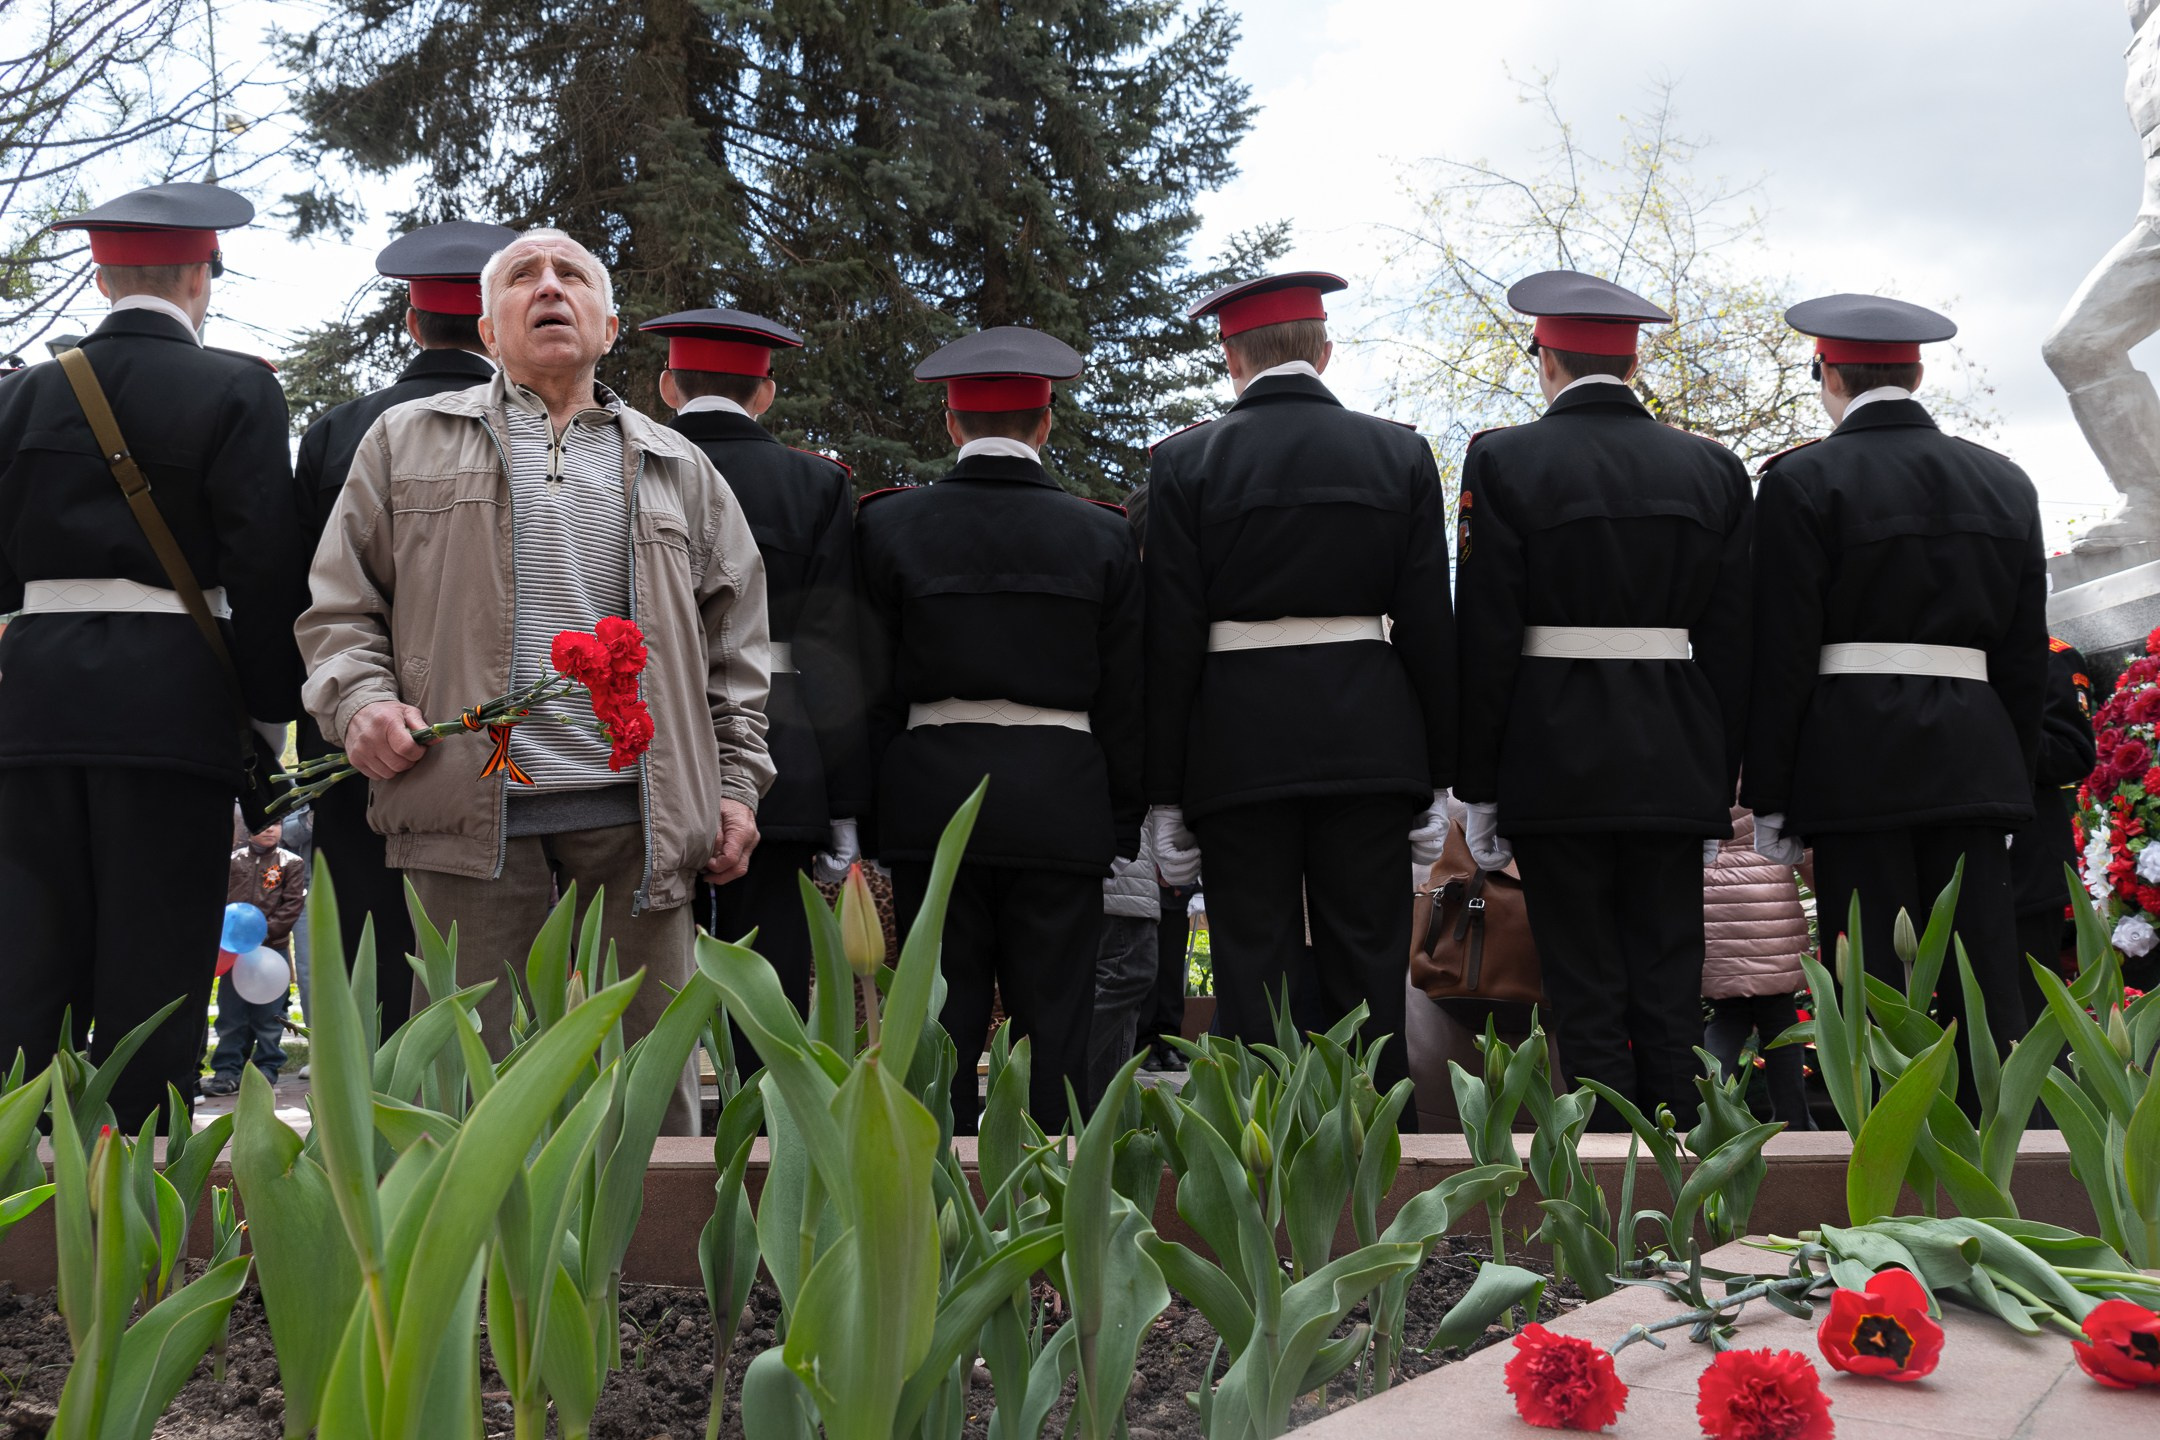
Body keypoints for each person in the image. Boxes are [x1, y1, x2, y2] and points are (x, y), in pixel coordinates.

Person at [297, 227, 775, 1137]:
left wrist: (738, 786)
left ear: (609, 326)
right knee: (464, 1101)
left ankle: (647, 1239)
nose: (549, 286)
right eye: (523, 276)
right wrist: (360, 703)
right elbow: (340, 610)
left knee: (650, 1101)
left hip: (643, 821)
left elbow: (735, 651)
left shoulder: (682, 467)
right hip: (465, 808)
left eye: (572, 276)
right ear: (487, 328)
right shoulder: (404, 441)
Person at [0, 183, 307, 1127]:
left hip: (34, 704)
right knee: (156, 969)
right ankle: (138, 1174)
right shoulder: (239, 390)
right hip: (174, 710)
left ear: (102, 278)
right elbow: (263, 571)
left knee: (26, 962)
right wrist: (268, 720)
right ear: (201, 277)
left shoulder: (18, 396)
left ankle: (17, 1173)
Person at [1142, 272, 1454, 1109]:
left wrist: (1164, 795)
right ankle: (1382, 1153)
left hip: (1238, 750)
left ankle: (1272, 1157)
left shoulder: (1184, 462)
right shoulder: (1398, 453)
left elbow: (1168, 640)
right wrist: (1439, 778)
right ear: (1324, 351)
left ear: (1231, 358)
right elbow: (1430, 626)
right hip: (1370, 745)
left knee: (1254, 972)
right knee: (1371, 969)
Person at [1453, 270, 1753, 1128]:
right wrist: (1717, 776)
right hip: (1674, 758)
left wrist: (1480, 784)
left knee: (1582, 987)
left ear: (1545, 359)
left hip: (1554, 760)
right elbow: (1736, 644)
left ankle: (1606, 1169)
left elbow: (1486, 633)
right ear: (1633, 364)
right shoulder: (1713, 468)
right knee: (1669, 984)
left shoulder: (1503, 460)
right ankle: (1682, 1159)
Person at [1746, 294, 2048, 1111]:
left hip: (1856, 764)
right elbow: (2024, 657)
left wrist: (1772, 795)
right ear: (1916, 375)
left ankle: (1886, 1149)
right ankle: (1994, 1151)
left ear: (1828, 374)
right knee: (1983, 980)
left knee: (1873, 978)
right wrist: (2013, 781)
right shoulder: (2004, 481)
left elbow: (1782, 654)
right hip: (1974, 759)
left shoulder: (1802, 480)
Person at [856, 326, 1143, 1133]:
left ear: (951, 423)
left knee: (939, 1020)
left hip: (932, 800)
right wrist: (1122, 817)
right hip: (1061, 802)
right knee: (1056, 1028)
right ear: (1045, 423)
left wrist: (870, 815)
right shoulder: (1104, 534)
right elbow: (1128, 693)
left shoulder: (887, 526)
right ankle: (1049, 1182)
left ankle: (934, 1183)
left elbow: (868, 687)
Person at [293, 220, 515, 1034]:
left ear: (413, 323)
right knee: (493, 966)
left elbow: (307, 590)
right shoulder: (536, 430)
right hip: (493, 732)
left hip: (357, 732)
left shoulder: (336, 431)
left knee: (369, 951)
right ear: (494, 328)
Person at [641, 307, 872, 1073]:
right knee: (769, 977)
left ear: (668, 385)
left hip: (641, 733)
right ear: (764, 393)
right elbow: (831, 646)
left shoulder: (623, 465)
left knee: (645, 977)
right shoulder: (816, 483)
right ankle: (766, 1125)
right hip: (778, 743)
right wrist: (844, 802)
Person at [1701, 807, 1814, 1129]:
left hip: (1714, 909)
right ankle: (1794, 1121)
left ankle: (1712, 1113)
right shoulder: (1767, 785)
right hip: (1771, 907)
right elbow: (1805, 852)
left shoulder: (1701, 780)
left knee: (1727, 1016)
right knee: (1780, 1022)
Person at [2011, 636, 2097, 1012]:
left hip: (2026, 866)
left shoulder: (2050, 657)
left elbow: (2072, 752)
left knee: (2033, 1006)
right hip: (1954, 860)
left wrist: (1991, 729)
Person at [204, 817, 308, 1095]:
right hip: (235, 953)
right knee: (231, 1014)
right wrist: (236, 935)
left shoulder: (291, 863)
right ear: (249, 829)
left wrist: (262, 933)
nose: (270, 829)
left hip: (272, 950)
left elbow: (292, 904)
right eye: (263, 825)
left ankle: (266, 1068)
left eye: (276, 824)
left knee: (270, 1014)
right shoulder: (232, 861)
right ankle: (227, 1070)